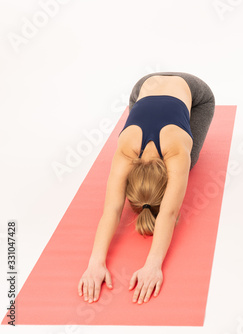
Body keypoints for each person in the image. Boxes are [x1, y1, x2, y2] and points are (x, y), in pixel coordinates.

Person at [78, 72, 215, 304]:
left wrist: (153, 265)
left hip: (194, 91)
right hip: (141, 87)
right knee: (184, 164)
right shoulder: (126, 150)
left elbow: (168, 213)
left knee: (190, 162)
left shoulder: (176, 151)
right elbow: (111, 211)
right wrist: (95, 263)